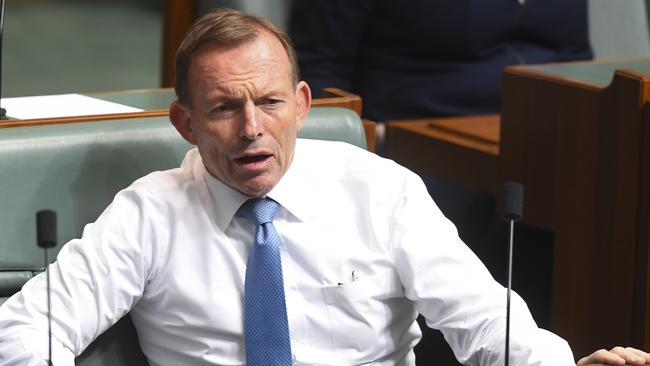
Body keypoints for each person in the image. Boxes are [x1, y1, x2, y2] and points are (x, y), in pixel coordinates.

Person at [0, 8, 646, 366]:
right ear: (185, 122)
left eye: (271, 103)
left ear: (304, 104)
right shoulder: (150, 212)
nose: (252, 129)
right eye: (224, 108)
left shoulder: (381, 192)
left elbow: (484, 319)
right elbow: (23, 333)